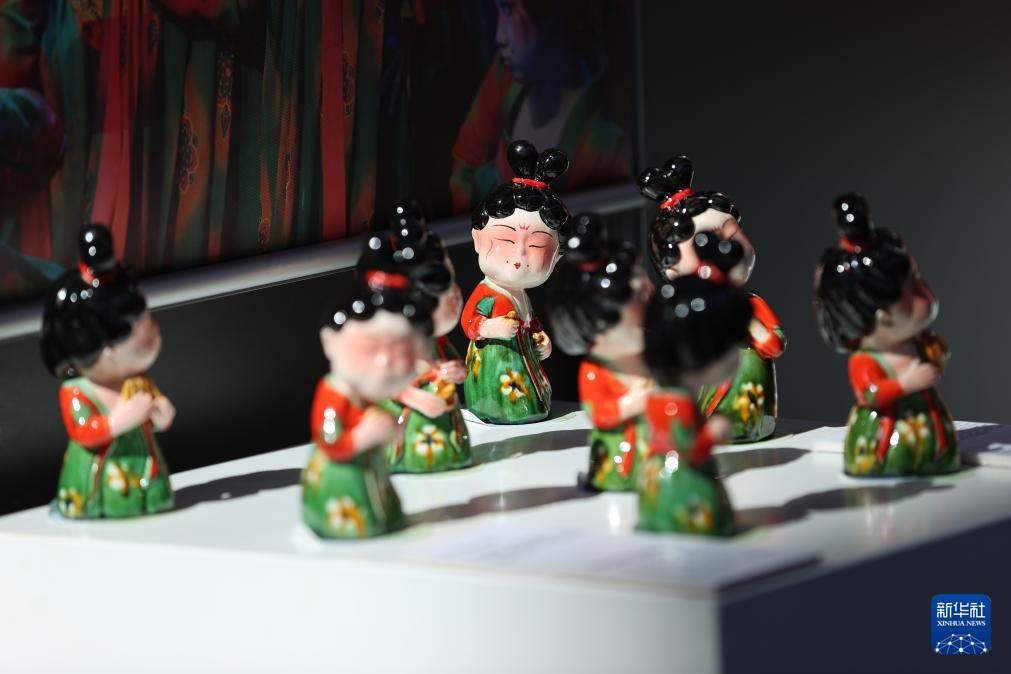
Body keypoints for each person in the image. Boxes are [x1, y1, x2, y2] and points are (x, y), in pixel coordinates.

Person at [640, 155, 786, 442]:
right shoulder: (683, 309)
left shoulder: (750, 304)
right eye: (703, 245)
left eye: (732, 235)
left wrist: (748, 323)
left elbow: (775, 343)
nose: (726, 251)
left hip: (748, 388)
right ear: (671, 269)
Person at [302, 233, 436, 539]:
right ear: (330, 342)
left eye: (399, 350)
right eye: (369, 349)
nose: (385, 362)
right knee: (353, 507)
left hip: (371, 472)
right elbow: (330, 439)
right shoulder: (335, 394)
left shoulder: (370, 397)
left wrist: (392, 428)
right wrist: (364, 435)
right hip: (341, 480)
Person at [814, 193, 958, 476]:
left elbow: (938, 359)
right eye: (913, 285)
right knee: (897, 457)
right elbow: (869, 393)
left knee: (930, 455)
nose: (926, 290)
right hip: (887, 431)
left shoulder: (916, 342)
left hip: (926, 423)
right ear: (884, 314)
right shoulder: (865, 360)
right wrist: (906, 384)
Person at [39, 225, 175, 518]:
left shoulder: (136, 382)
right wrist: (119, 420)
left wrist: (160, 414)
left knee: (152, 494)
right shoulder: (78, 391)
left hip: (141, 465)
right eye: (141, 333)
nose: (153, 334)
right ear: (105, 350)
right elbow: (83, 431)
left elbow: (156, 419)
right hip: (100, 475)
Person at [449, 0, 629, 212]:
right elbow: (464, 168)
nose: (500, 37)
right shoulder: (504, 75)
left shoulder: (604, 141)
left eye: (508, 9)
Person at [638, 237, 752, 536]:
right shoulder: (675, 405)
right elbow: (688, 449)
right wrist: (713, 433)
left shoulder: (668, 397)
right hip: (680, 479)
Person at [460, 140, 569, 424]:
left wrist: (541, 340)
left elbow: (531, 325)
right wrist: (490, 327)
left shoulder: (521, 297)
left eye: (536, 245)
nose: (519, 256)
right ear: (477, 240)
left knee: (530, 395)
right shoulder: (488, 293)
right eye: (506, 240)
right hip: (494, 367)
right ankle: (496, 408)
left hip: (523, 365)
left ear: (557, 256)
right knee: (503, 396)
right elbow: (469, 322)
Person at [546, 212, 653, 490]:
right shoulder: (596, 371)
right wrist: (630, 404)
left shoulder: (652, 357)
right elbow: (598, 412)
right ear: (598, 331)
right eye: (641, 310)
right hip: (620, 450)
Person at [375, 200, 472, 473]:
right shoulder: (393, 350)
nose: (452, 296)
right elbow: (383, 386)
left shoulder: (437, 343)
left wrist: (457, 371)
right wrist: (412, 397)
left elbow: (458, 368)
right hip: (409, 425)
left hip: (445, 423)